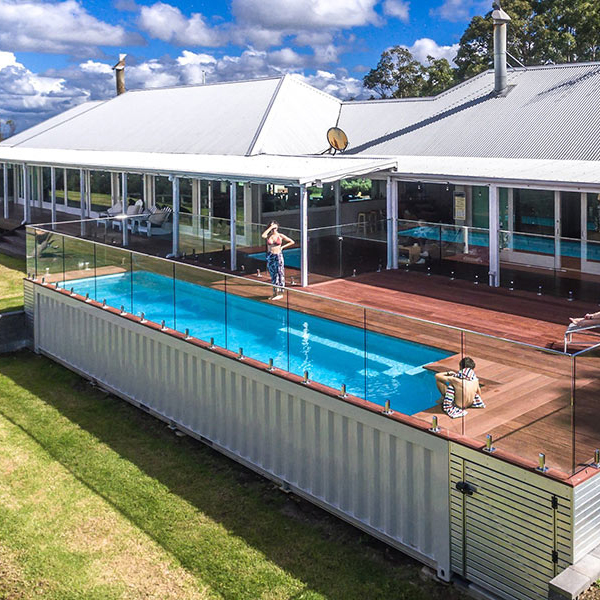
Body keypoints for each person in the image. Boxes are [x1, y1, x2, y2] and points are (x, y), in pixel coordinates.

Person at [261, 221, 295, 300]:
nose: (274, 229)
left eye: (275, 228)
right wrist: (270, 227)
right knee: (273, 274)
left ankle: (280, 292)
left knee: (280, 273)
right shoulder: (268, 236)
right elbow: (263, 235)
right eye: (272, 228)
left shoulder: (280, 236)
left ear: (277, 228)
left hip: (278, 256)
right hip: (270, 256)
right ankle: (274, 292)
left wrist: (282, 247)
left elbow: (292, 241)